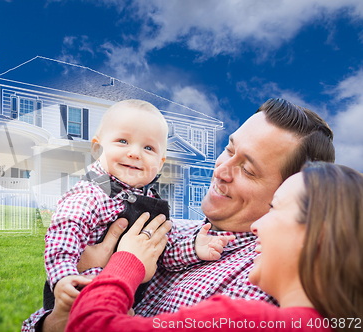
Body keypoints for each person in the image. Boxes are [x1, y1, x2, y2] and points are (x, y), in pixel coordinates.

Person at [22, 98, 335, 332]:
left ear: (295, 190)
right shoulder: (176, 229)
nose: (221, 170)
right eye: (228, 149)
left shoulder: (260, 283)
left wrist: (122, 264)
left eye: (248, 170)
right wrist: (55, 319)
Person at [66, 162, 363, 332]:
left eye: (275, 209)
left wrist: (125, 262)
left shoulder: (246, 321)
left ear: (318, 235)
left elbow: (90, 327)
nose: (258, 226)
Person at [42, 100, 232, 311]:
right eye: (123, 141)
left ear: (160, 163)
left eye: (148, 147)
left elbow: (161, 251)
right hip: (80, 289)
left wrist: (194, 247)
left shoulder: (152, 203)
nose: (134, 153)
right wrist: (63, 276)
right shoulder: (90, 194)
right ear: (97, 148)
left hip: (125, 298)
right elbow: (64, 234)